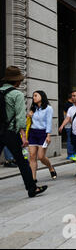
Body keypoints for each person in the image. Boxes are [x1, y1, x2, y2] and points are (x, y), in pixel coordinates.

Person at [0, 66, 47, 197]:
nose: (20, 82)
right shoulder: (17, 94)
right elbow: (20, 116)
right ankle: (32, 188)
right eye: (19, 80)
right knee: (21, 161)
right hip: (10, 133)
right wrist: (24, 136)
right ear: (16, 81)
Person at [27, 90, 57, 182]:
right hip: (32, 133)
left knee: (41, 157)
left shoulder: (48, 108)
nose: (34, 97)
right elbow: (29, 122)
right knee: (32, 156)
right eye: (33, 96)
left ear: (42, 96)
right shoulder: (33, 108)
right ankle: (33, 178)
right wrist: (28, 115)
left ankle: (51, 167)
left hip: (43, 133)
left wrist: (48, 135)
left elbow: (49, 122)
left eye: (36, 95)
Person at [58, 90, 76, 176]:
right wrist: (62, 125)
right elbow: (68, 118)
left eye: (74, 96)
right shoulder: (70, 108)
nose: (73, 97)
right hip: (74, 133)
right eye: (72, 96)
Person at [62, 93, 76, 162]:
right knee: (70, 140)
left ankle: (72, 153)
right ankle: (70, 154)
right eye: (73, 96)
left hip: (69, 125)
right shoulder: (68, 105)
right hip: (69, 126)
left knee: (71, 140)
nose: (74, 98)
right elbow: (69, 117)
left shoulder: (68, 104)